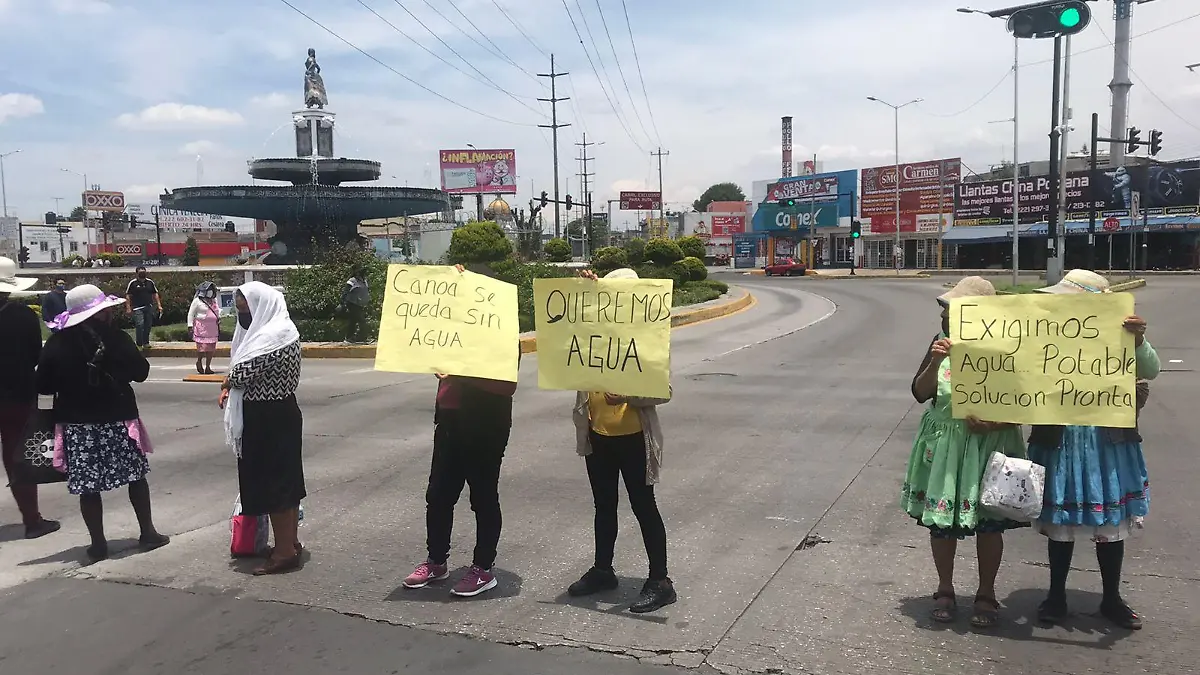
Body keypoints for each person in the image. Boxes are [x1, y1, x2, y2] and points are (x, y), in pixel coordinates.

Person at [1027, 269, 1159, 630]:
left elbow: (1151, 369)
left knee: (1111, 523)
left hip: (1106, 439)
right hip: (1062, 437)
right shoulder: (1047, 334)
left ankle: (1112, 598)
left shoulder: (1122, 333)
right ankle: (1056, 594)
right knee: (1061, 524)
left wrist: (1139, 340)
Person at [900, 276, 1028, 629]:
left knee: (990, 525)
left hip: (991, 446)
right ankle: (945, 589)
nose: (946, 315)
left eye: (953, 309)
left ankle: (986, 593)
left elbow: (1026, 403)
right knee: (942, 525)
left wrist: (996, 424)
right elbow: (920, 392)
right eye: (946, 309)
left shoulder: (1009, 346)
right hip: (945, 445)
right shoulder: (941, 343)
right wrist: (935, 361)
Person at [566, 268, 677, 614]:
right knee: (604, 506)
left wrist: (628, 395)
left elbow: (665, 391)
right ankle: (603, 570)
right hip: (598, 438)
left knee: (644, 508)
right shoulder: (595, 337)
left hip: (634, 439)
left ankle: (660, 581)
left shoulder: (646, 343)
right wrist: (587, 287)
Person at [402, 266, 518, 597]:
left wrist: (461, 372)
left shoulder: (501, 332)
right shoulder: (451, 329)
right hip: (450, 422)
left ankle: (483, 568)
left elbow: (506, 385)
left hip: (486, 424)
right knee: (438, 495)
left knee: (482, 496)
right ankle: (436, 561)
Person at [39, 284, 169, 560]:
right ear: (99, 313)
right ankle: (147, 532)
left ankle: (98, 544)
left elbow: (43, 384)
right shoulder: (117, 338)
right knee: (136, 476)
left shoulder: (57, 342)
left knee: (88, 487)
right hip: (117, 418)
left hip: (77, 424)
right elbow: (141, 372)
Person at [219, 281, 306, 576]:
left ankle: (283, 552)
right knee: (286, 482)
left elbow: (240, 374)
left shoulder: (272, 337)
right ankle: (289, 542)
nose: (242, 316)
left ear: (261, 306)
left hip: (268, 417)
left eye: (245, 309)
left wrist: (228, 382)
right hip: (279, 413)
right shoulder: (282, 330)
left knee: (276, 485)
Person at [0, 257, 60, 539]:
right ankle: (32, 521)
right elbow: (37, 354)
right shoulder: (22, 316)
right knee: (17, 458)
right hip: (16, 396)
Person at [187, 281, 221, 375]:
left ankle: (208, 367)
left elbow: (217, 311)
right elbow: (191, 313)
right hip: (201, 327)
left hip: (212, 328)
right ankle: (199, 362)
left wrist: (218, 318)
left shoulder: (214, 300)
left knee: (211, 348)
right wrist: (190, 326)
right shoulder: (197, 301)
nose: (210, 292)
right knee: (202, 348)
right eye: (208, 290)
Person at [125, 266, 162, 348]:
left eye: (144, 272)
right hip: (137, 308)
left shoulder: (150, 282)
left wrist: (159, 305)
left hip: (148, 306)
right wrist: (128, 307)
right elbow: (128, 295)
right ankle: (139, 343)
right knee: (140, 324)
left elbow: (155, 294)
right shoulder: (133, 283)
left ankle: (146, 342)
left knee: (148, 325)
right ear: (137, 273)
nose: (142, 274)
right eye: (140, 272)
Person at [340, 269, 370, 344]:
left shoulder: (364, 281)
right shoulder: (352, 280)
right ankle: (362, 337)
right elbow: (346, 291)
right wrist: (342, 302)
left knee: (353, 321)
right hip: (352, 303)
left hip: (360, 304)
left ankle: (349, 338)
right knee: (361, 320)